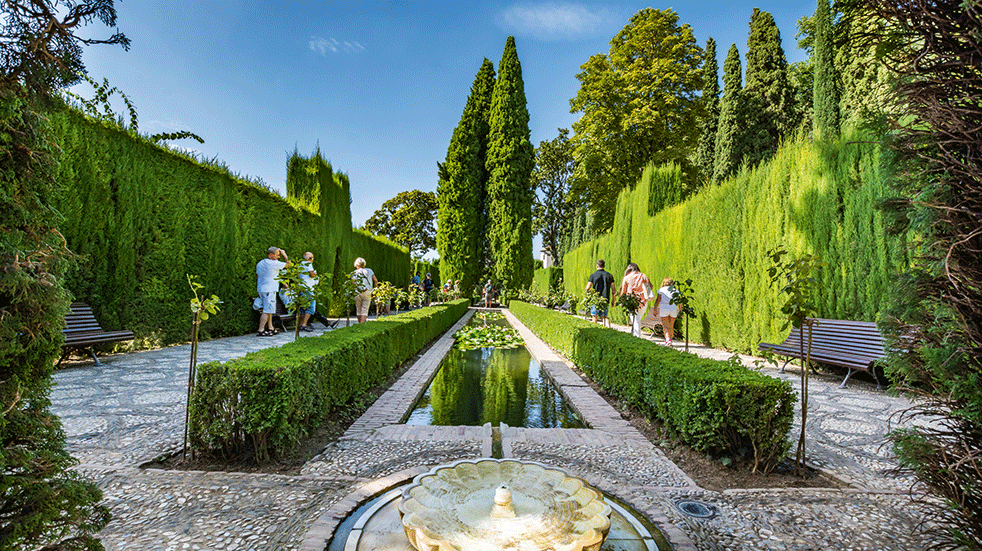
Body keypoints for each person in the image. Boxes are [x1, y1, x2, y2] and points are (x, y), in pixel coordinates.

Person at [256, 246, 289, 336]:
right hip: (269, 289)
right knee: (266, 311)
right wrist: (284, 255)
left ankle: (270, 327)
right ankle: (261, 329)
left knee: (269, 309)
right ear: (271, 255)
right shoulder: (272, 263)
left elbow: (257, 276)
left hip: (262, 289)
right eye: (277, 255)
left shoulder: (260, 263)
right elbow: (288, 265)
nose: (279, 257)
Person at [617, 262, 652, 338]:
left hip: (630, 301)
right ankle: (635, 335)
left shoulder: (626, 277)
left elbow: (623, 291)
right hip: (643, 301)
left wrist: (621, 301)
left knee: (635, 320)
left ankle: (637, 337)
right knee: (637, 319)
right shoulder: (643, 276)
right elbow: (650, 286)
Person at [585, 259, 615, 327]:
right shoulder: (609, 276)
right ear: (604, 266)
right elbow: (613, 289)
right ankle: (609, 330)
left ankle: (595, 330)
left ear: (597, 266)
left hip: (596, 299)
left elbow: (587, 287)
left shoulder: (593, 275)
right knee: (604, 317)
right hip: (605, 299)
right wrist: (613, 300)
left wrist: (588, 296)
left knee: (594, 316)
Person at [352, 257, 378, 323]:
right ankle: (362, 325)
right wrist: (375, 289)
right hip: (367, 291)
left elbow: (352, 282)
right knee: (365, 309)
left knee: (358, 309)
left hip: (358, 292)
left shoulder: (354, 272)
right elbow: (375, 280)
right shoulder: (370, 270)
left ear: (356, 265)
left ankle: (359, 324)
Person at [297, 252, 318, 332]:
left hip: (301, 288)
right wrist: (315, 273)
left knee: (302, 307)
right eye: (312, 258)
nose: (312, 260)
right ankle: (304, 324)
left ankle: (300, 324)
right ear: (309, 259)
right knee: (311, 307)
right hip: (308, 288)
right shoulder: (308, 264)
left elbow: (298, 276)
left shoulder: (300, 264)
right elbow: (311, 275)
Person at [656, 277, 680, 345]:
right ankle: (670, 340)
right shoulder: (675, 290)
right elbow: (679, 301)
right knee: (671, 325)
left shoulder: (661, 290)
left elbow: (658, 300)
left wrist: (655, 309)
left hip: (664, 307)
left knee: (665, 325)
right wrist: (680, 309)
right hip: (673, 307)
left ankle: (668, 340)